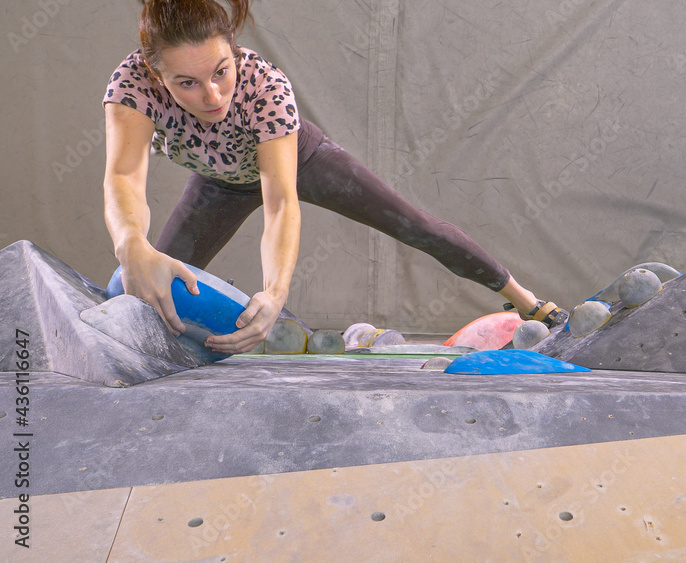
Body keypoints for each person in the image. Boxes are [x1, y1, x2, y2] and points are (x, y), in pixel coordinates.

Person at [103, 0, 567, 354]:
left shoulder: (266, 87)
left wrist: (273, 292)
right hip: (218, 181)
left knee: (415, 226)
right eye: (187, 83)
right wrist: (132, 246)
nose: (212, 95)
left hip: (300, 160)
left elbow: (281, 202)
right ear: (154, 74)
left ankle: (525, 299)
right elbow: (124, 175)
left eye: (222, 72)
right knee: (146, 288)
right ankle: (298, 342)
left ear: (234, 54)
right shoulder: (131, 87)